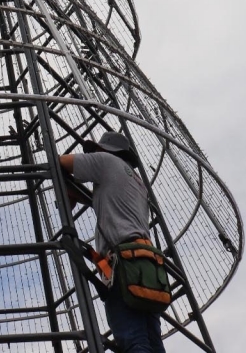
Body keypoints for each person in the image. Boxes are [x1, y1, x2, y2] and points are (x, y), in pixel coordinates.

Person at [59, 132, 166, 353]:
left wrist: (70, 179)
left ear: (107, 151)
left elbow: (61, 162)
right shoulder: (136, 182)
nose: (93, 154)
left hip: (123, 265)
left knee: (133, 341)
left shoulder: (106, 162)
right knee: (153, 343)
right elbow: (102, 199)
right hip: (147, 267)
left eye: (96, 150)